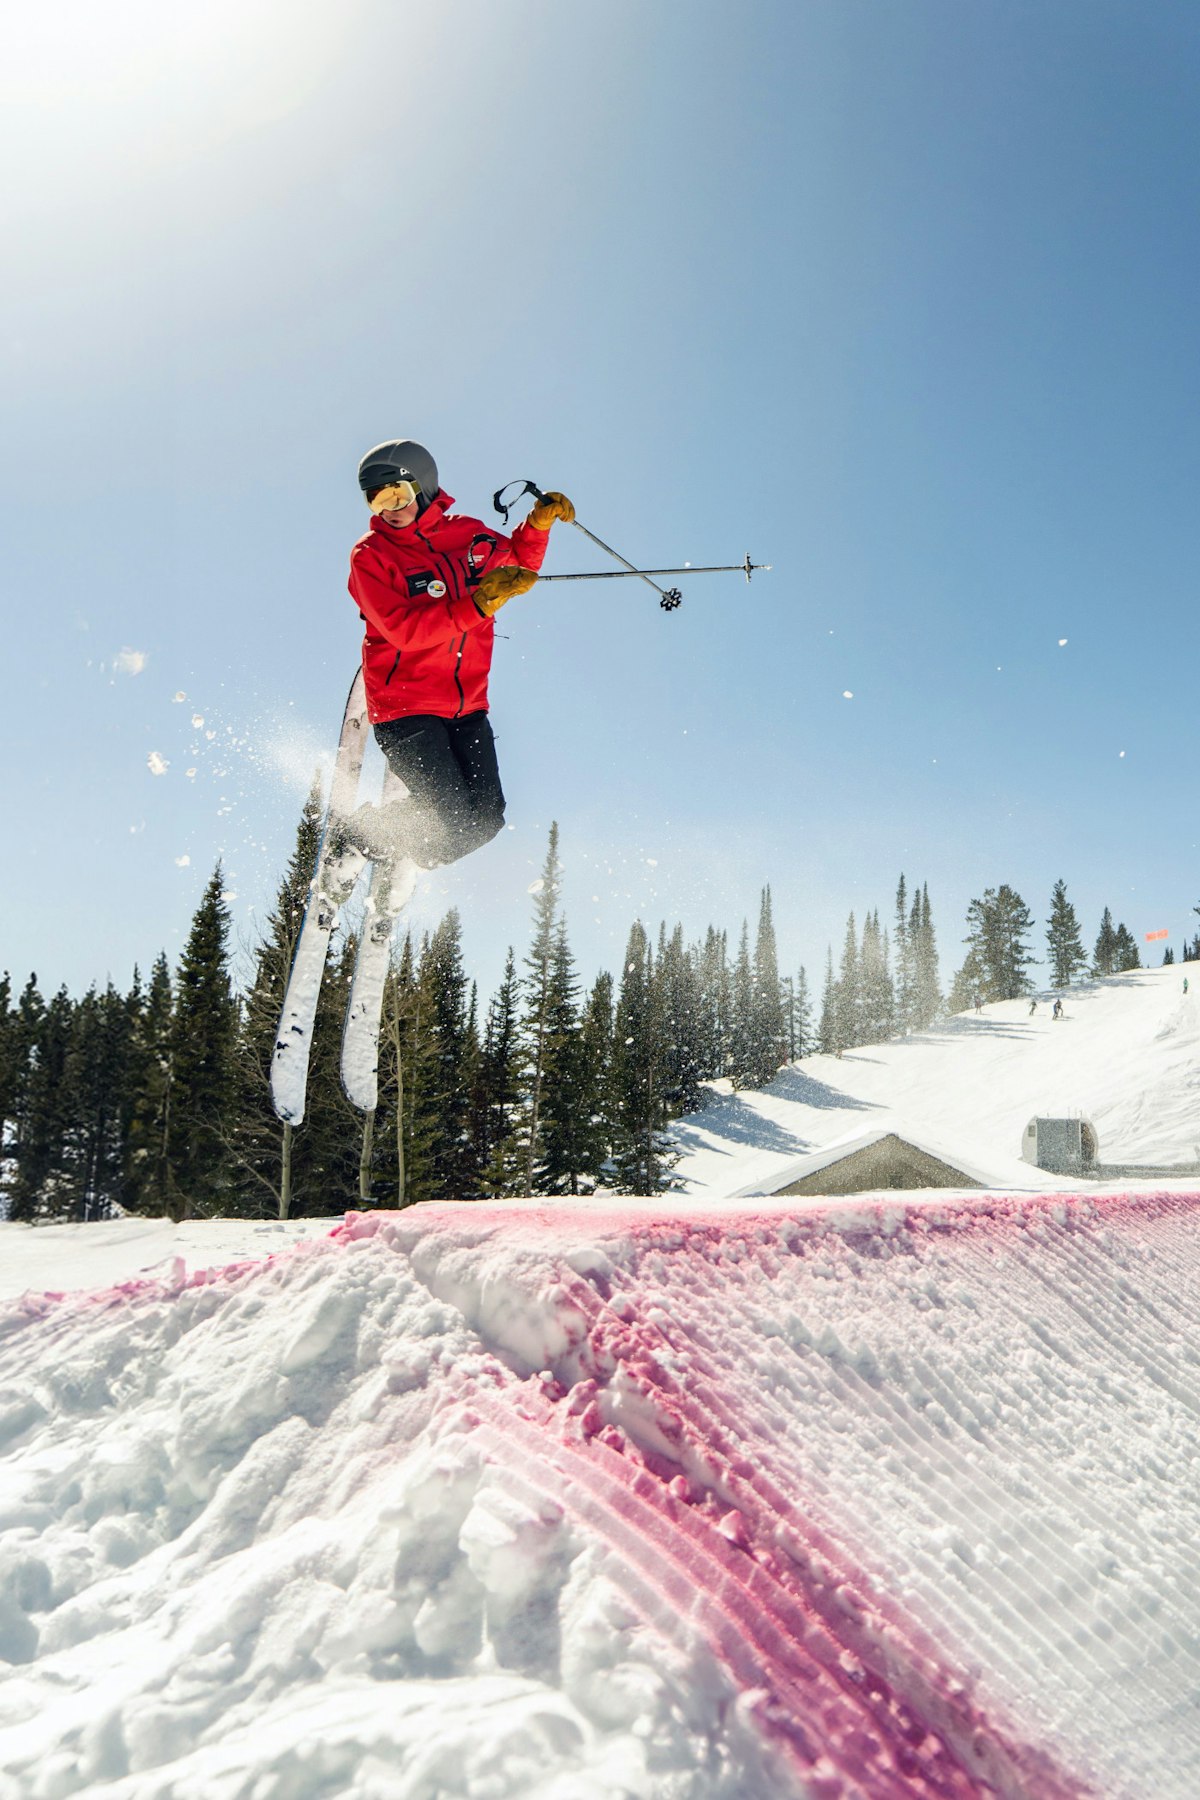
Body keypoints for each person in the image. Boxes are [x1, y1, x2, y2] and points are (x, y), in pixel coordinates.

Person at [337, 439, 573, 873]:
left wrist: (538, 524)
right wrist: (477, 605)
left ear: (423, 488)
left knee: (484, 822)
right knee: (451, 822)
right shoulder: (371, 556)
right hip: (405, 710)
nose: (390, 507)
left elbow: (518, 563)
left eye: (399, 494)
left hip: (467, 707)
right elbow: (405, 631)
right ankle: (360, 838)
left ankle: (401, 840)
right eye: (378, 498)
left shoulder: (466, 534)